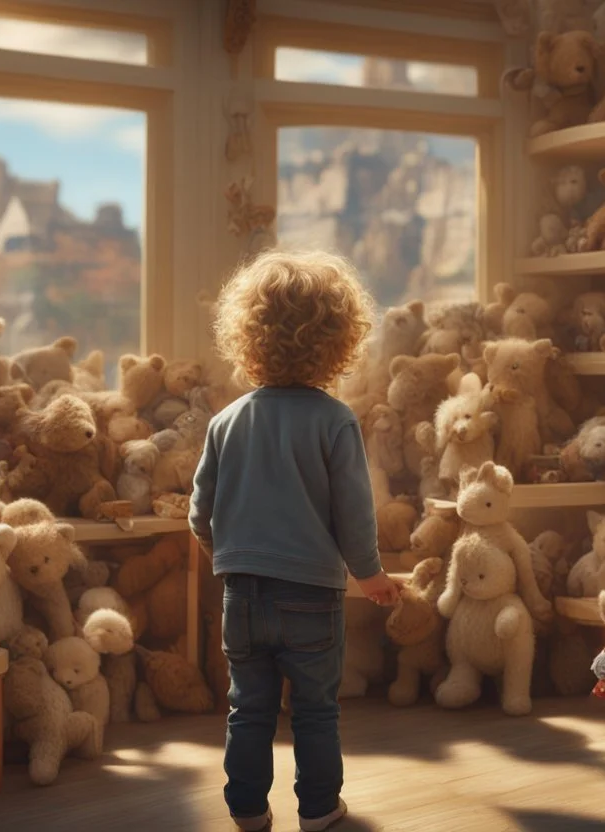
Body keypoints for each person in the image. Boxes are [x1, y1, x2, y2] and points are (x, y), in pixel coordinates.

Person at [190, 249, 400, 832]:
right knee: (314, 710)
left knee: (248, 709)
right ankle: (318, 809)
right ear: (338, 343)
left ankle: (248, 811)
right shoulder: (334, 421)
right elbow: (353, 514)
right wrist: (371, 576)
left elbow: (199, 514)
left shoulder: (225, 421)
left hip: (242, 593)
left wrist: (229, 558)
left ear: (247, 336)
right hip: (310, 595)